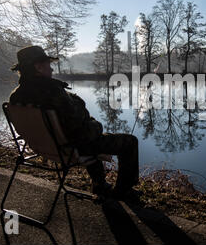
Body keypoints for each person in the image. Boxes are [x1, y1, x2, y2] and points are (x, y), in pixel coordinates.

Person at [9, 45, 139, 199]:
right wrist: (97, 126)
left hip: (42, 148)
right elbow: (80, 132)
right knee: (129, 141)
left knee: (89, 139)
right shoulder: (54, 92)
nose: (51, 70)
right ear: (38, 67)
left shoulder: (15, 97)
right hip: (70, 149)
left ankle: (100, 184)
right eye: (48, 65)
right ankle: (123, 191)